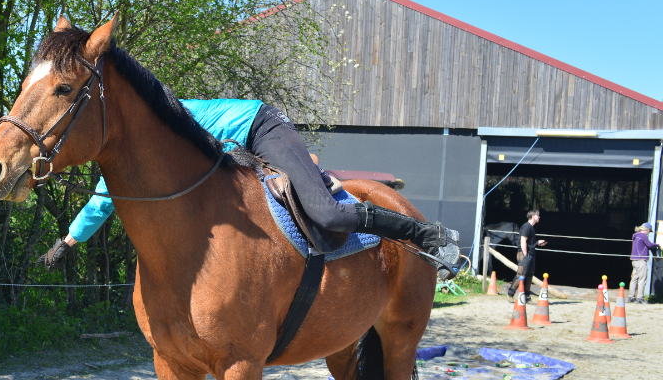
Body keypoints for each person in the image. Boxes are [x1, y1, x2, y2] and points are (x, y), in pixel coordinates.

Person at [41, 99, 461, 274]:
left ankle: (427, 234)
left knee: (328, 213)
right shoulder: (133, 150)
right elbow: (106, 194)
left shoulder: (158, 124)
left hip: (260, 126)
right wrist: (69, 241)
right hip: (238, 148)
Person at [506, 209, 546, 303]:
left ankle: (527, 297)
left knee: (529, 276)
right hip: (525, 255)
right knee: (521, 274)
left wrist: (537, 242)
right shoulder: (527, 227)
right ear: (533, 216)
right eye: (538, 215)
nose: (539, 217)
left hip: (531, 254)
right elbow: (523, 240)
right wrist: (525, 254)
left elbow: (529, 242)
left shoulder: (531, 228)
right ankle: (510, 293)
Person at [629, 222, 658, 304]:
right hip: (641, 260)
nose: (649, 233)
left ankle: (631, 297)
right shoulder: (643, 236)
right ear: (647, 230)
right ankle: (640, 298)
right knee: (642, 279)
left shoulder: (636, 235)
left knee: (634, 279)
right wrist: (658, 245)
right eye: (649, 231)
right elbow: (650, 245)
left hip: (634, 260)